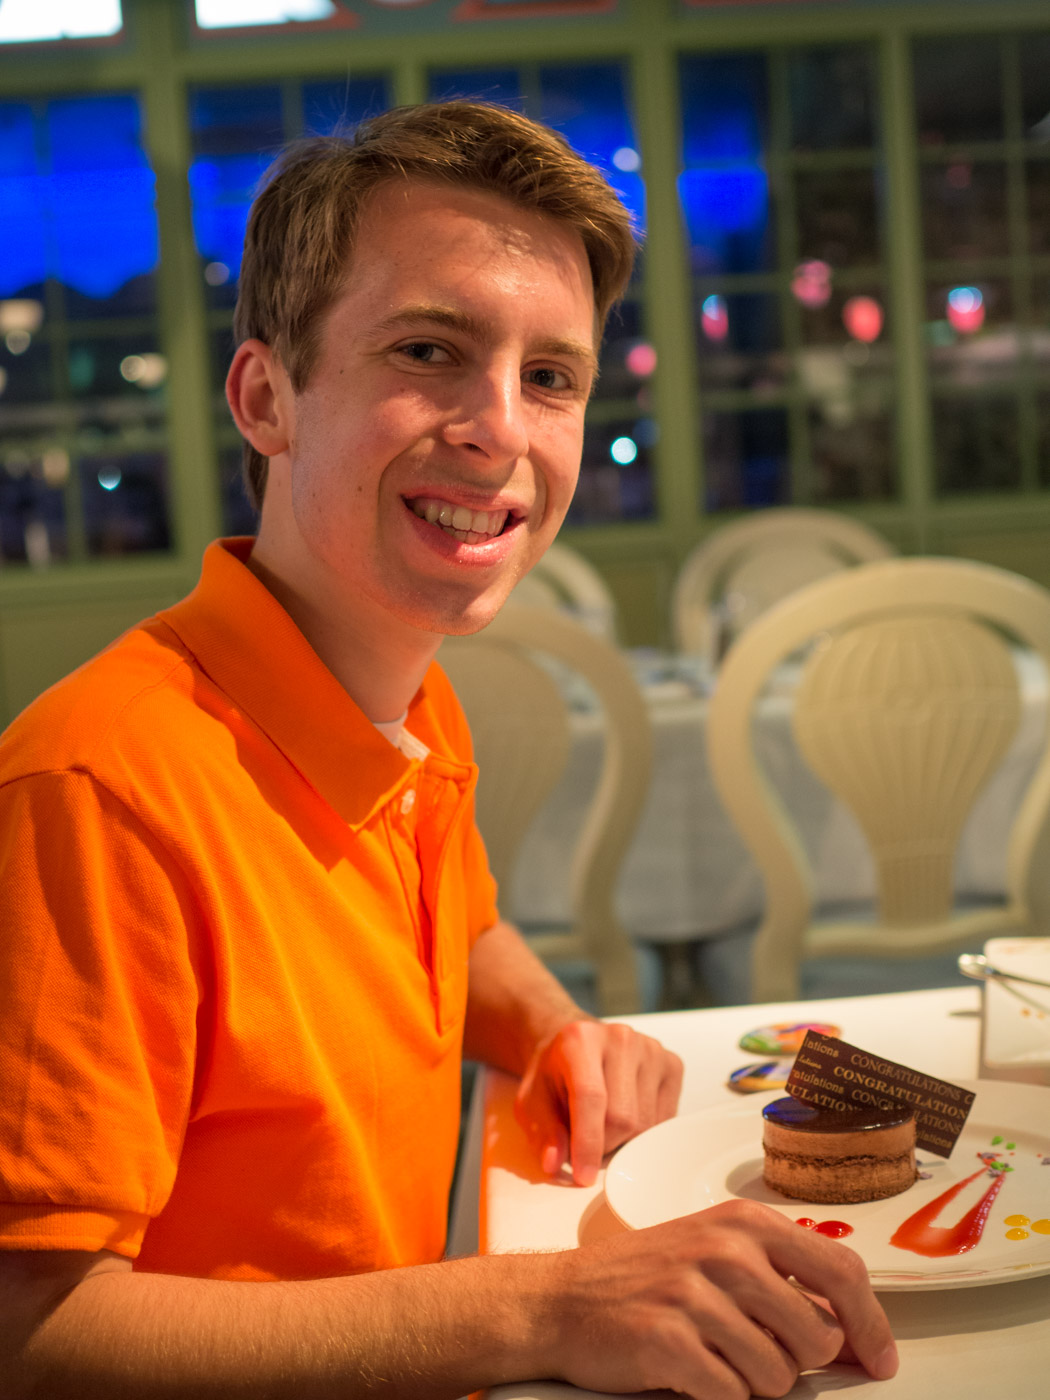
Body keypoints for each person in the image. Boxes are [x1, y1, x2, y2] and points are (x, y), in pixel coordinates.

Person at [0, 101, 898, 1398]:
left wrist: (549, 1031)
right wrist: (536, 1311)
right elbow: (35, 1337)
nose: (501, 430)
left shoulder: (412, 700)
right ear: (267, 397)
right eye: (428, 349)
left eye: (551, 378)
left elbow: (452, 931)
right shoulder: (95, 788)